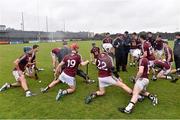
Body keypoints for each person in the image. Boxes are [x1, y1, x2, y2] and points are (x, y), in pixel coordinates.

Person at [119, 49, 158, 114]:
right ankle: (152, 97)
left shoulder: (142, 60)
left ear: (138, 55)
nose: (134, 58)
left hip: (142, 79)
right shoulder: (145, 59)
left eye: (134, 57)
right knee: (142, 92)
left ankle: (128, 109)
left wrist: (136, 79)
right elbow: (149, 69)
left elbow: (140, 72)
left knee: (135, 93)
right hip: (146, 79)